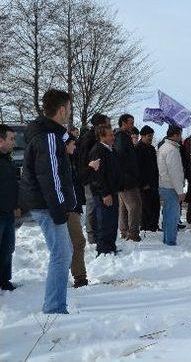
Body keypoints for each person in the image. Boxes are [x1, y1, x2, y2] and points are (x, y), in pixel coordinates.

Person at [19, 89, 76, 314]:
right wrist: (60, 209)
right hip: (47, 206)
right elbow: (50, 177)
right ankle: (54, 308)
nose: (69, 114)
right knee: (61, 254)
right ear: (61, 110)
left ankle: (55, 305)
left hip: (46, 204)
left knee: (64, 252)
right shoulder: (49, 137)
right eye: (69, 110)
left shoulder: (49, 134)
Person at [89, 125, 123, 256]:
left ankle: (110, 247)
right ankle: (103, 250)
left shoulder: (109, 149)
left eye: (113, 135)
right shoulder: (98, 150)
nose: (113, 137)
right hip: (104, 194)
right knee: (104, 222)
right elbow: (97, 175)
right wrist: (105, 193)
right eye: (110, 135)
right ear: (102, 136)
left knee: (112, 221)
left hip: (112, 191)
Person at [77, 113, 110, 244]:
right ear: (99, 124)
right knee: (92, 206)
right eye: (106, 123)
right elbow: (85, 159)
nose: (108, 126)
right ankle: (92, 235)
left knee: (96, 206)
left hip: (95, 176)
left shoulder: (94, 137)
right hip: (90, 177)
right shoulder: (89, 139)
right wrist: (90, 173)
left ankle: (96, 233)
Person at [64, 135, 88, 288]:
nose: (75, 147)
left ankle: (78, 276)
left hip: (74, 207)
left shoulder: (71, 160)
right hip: (68, 208)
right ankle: (79, 277)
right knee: (78, 242)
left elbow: (77, 181)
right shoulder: (62, 163)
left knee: (74, 243)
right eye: (73, 144)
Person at [114, 114, 142, 241]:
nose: (133, 125)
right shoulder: (121, 137)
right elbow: (120, 157)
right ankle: (132, 233)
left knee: (125, 207)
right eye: (131, 123)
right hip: (127, 179)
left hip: (126, 178)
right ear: (123, 123)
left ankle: (125, 232)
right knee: (134, 206)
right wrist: (126, 175)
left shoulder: (124, 137)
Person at [158, 126, 186, 245]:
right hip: (171, 187)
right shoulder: (172, 150)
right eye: (180, 135)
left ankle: (167, 238)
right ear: (175, 135)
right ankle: (170, 240)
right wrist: (180, 191)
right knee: (172, 215)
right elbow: (174, 172)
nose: (181, 138)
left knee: (168, 213)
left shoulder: (164, 147)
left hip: (165, 184)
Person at [0, 125, 18, 291]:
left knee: (7, 249)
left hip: (8, 213)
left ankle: (5, 280)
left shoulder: (8, 159)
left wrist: (17, 205)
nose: (14, 142)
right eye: (11, 139)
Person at [136, 125, 160, 232]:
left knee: (155, 205)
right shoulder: (138, 148)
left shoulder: (151, 148)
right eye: (149, 136)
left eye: (152, 136)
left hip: (154, 182)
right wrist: (142, 183)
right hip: (144, 184)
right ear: (143, 136)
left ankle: (154, 225)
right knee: (146, 207)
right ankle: (145, 226)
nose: (151, 138)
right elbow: (138, 168)